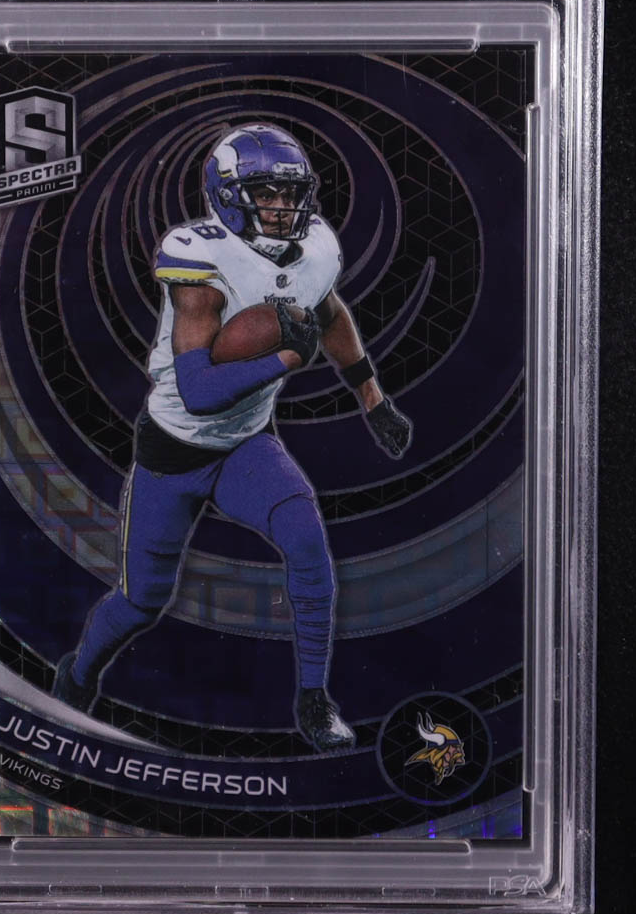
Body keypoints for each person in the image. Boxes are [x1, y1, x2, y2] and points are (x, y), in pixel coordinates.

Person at [53, 123, 413, 750]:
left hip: (246, 442)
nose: (282, 207)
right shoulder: (200, 262)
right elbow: (198, 391)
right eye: (266, 193)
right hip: (174, 452)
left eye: (290, 192)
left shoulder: (314, 248)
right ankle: (76, 677)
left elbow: (327, 311)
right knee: (141, 604)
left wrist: (373, 398)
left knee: (308, 545)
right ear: (227, 196)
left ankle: (313, 699)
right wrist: (285, 359)